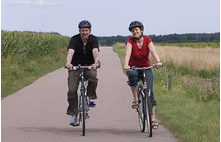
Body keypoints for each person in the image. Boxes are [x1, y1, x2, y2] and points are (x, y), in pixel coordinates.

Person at [124, 21, 162, 129]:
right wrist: (126, 64)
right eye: (132, 31)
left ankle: (153, 119)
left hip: (146, 67)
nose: (134, 32)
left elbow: (153, 51)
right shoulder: (130, 41)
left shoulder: (147, 39)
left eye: (136, 30)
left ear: (141, 30)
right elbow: (128, 53)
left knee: (150, 92)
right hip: (134, 67)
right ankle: (136, 100)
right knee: (132, 75)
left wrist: (158, 61)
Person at [65, 20, 100, 126]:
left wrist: (96, 62)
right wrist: (68, 63)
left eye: (86, 30)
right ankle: (74, 114)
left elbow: (95, 51)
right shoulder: (74, 39)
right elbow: (70, 51)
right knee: (71, 90)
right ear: (79, 31)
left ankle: (91, 96)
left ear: (90, 30)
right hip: (75, 67)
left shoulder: (93, 39)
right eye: (82, 30)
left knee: (93, 76)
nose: (84, 32)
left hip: (89, 65)